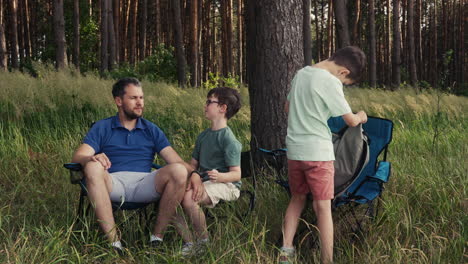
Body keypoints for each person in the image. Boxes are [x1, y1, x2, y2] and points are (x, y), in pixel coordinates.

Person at [71, 77, 190, 253]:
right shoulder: (102, 127)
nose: (140, 103)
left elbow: (177, 162)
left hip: (144, 183)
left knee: (179, 171)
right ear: (119, 101)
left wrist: (194, 174)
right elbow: (79, 156)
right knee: (92, 166)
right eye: (133, 98)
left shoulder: (151, 129)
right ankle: (114, 244)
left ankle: (156, 240)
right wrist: (91, 158)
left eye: (141, 98)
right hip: (112, 182)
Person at [280, 46, 368, 264]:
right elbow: (350, 120)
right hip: (318, 152)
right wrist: (361, 116)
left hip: (294, 150)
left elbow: (287, 108)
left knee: (297, 198)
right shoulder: (331, 81)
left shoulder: (301, 74)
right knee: (323, 207)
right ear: (344, 72)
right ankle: (326, 260)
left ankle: (286, 251)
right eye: (346, 83)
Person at [173, 87, 243, 256]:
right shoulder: (203, 136)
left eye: (209, 101)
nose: (205, 105)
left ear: (222, 108)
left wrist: (220, 176)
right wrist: (194, 176)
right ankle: (189, 242)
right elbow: (193, 166)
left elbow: (236, 174)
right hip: (204, 181)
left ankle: (203, 242)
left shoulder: (228, 138)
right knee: (170, 197)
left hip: (227, 185)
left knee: (189, 199)